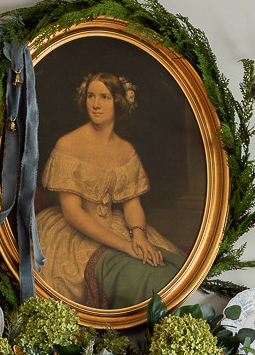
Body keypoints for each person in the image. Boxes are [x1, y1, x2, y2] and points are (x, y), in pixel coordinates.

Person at [35, 72, 186, 309]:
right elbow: (72, 213)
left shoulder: (126, 150)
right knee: (139, 275)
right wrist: (125, 246)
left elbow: (132, 204)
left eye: (104, 97)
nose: (95, 104)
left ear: (119, 102)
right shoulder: (68, 144)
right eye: (91, 96)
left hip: (115, 224)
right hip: (74, 232)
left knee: (170, 267)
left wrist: (138, 236)